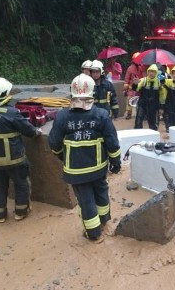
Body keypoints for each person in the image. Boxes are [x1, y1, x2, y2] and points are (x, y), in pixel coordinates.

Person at [48, 74, 121, 243]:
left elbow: (53, 143)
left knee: (86, 200)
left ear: (72, 92)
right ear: (92, 92)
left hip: (75, 171)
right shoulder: (101, 115)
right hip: (99, 168)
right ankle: (103, 221)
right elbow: (112, 142)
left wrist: (63, 156)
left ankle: (93, 233)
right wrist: (115, 163)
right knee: (101, 191)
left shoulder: (62, 116)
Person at [0, 78, 42, 223]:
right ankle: (21, 212)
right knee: (21, 183)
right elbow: (29, 131)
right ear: (4, 94)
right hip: (14, 159)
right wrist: (37, 132)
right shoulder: (11, 113)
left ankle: (0, 215)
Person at [133, 64, 164, 130]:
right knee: (138, 121)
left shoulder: (159, 82)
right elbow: (136, 89)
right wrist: (135, 84)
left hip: (153, 106)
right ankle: (137, 136)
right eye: (150, 71)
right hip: (142, 104)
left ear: (156, 72)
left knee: (153, 124)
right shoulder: (143, 80)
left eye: (153, 72)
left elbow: (162, 95)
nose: (151, 73)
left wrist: (161, 107)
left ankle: (154, 137)